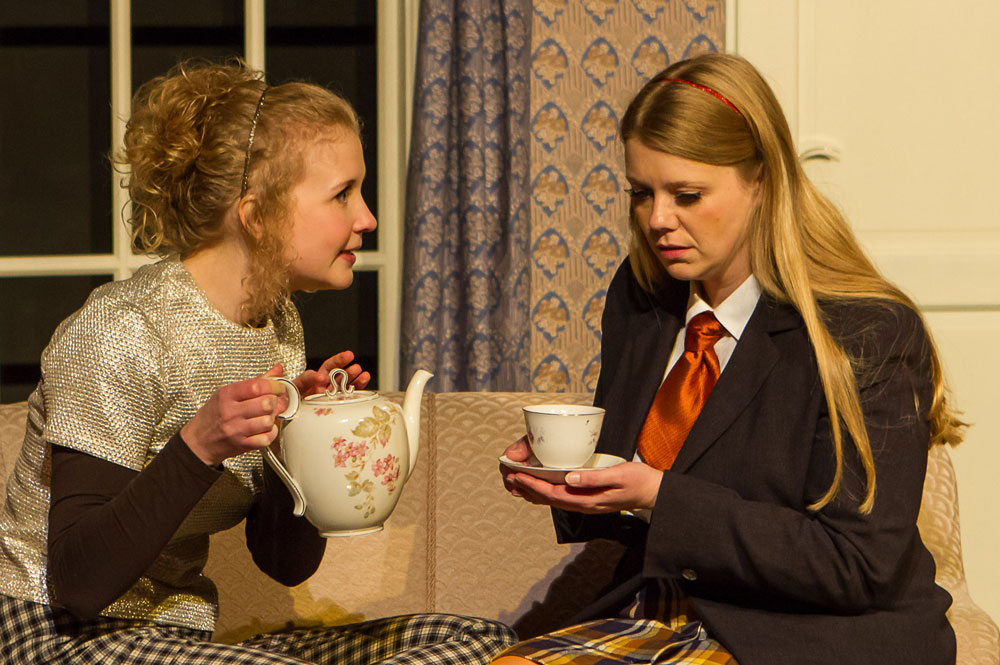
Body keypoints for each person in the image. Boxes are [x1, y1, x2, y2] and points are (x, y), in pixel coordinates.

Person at [0, 59, 515, 664]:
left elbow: (284, 564)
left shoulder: (279, 328)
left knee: (480, 643)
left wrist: (295, 445)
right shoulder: (123, 331)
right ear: (256, 215)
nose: (367, 219)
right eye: (342, 194)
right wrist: (198, 445)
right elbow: (77, 582)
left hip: (177, 640)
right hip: (53, 633)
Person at [496, 53, 963, 665]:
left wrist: (659, 496)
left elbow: (857, 564)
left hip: (800, 638)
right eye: (641, 193)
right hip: (656, 616)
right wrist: (570, 476)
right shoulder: (643, 299)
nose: (658, 220)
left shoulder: (865, 331)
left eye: (687, 195)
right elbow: (638, 496)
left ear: (761, 181)